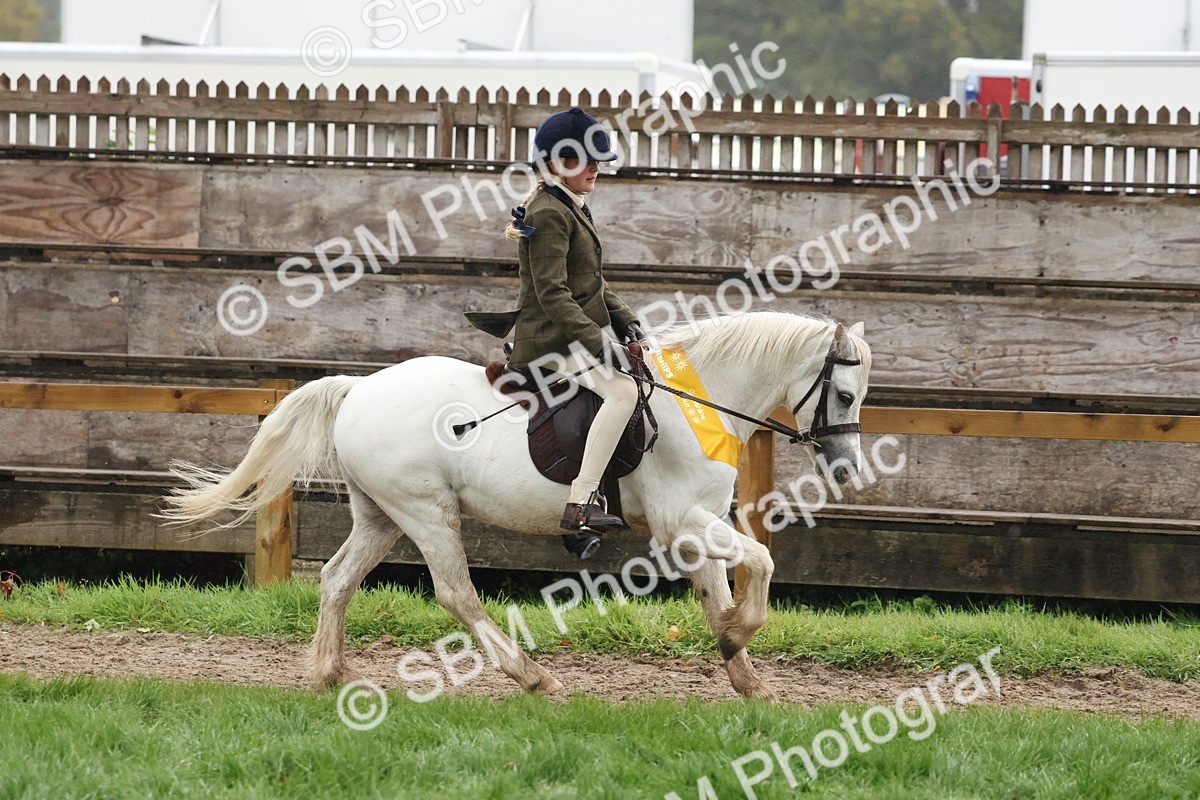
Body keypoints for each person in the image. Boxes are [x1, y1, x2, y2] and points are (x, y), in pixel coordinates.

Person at [469, 108, 645, 559]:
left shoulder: (570, 205)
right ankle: (580, 504)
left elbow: (593, 283)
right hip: (549, 342)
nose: (595, 168)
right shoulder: (550, 212)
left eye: (597, 160)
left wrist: (629, 322)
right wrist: (601, 346)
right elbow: (553, 294)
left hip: (569, 335)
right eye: (585, 160)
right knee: (623, 392)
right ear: (555, 164)